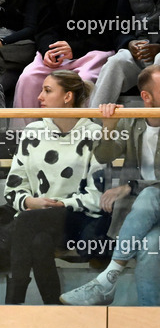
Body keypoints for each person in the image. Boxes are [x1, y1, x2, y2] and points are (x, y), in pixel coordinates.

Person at [5, 70, 109, 305]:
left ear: (68, 97)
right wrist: (31, 202)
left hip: (77, 218)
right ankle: (55, 310)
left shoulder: (93, 133)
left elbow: (96, 196)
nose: (39, 96)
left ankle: (13, 301)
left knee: (24, 222)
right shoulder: (32, 132)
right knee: (40, 241)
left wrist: (58, 204)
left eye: (47, 90)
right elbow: (12, 188)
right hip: (37, 220)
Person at [61, 64, 160, 306]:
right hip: (145, 215)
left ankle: (107, 280)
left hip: (147, 201)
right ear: (146, 97)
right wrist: (108, 128)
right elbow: (104, 156)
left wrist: (131, 187)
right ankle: (152, 326)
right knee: (149, 248)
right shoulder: (133, 122)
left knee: (148, 195)